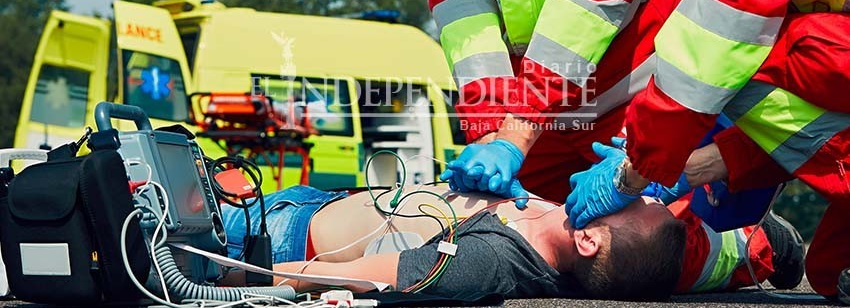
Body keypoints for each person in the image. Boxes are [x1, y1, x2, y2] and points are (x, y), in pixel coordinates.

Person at [420, 0, 782, 292]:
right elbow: (468, 27)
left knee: (642, 256)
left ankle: (753, 248)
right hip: (540, 112)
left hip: (635, 97)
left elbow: (586, 12)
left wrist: (512, 136)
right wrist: (487, 134)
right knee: (534, 248)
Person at [564, 0, 850, 300]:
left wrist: (635, 171)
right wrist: (689, 166)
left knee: (746, 52)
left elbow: (714, 48)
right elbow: (815, 120)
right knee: (833, 268)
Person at [220, 184, 685, 301]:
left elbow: (337, 278)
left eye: (633, 201)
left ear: (586, 240)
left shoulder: (489, 262)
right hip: (311, 202)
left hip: (272, 237)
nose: (632, 188)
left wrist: (217, 277)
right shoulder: (562, 225)